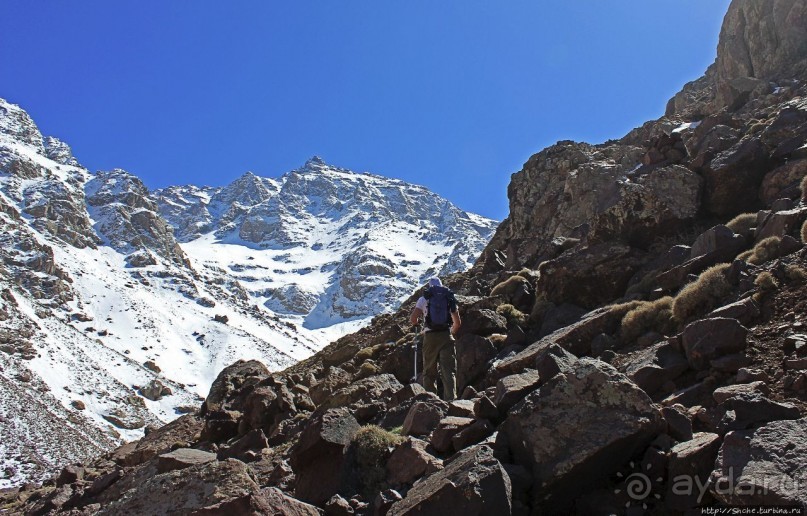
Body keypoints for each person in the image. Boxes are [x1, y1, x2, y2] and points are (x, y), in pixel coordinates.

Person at [410, 277, 461, 401]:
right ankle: (451, 401)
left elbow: (413, 319)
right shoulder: (448, 297)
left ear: (429, 286)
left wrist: (417, 325)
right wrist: (451, 333)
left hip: (430, 337)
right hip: (446, 335)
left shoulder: (424, 298)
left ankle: (431, 402)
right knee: (448, 371)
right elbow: (458, 322)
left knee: (429, 371)